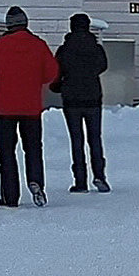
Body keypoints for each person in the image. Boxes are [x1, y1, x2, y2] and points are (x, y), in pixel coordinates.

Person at [0, 6, 61, 207]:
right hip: (31, 107)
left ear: (8, 25)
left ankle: (10, 196)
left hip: (6, 107)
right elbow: (52, 73)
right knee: (33, 148)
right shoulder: (38, 45)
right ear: (26, 23)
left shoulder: (0, 45)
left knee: (6, 152)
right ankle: (36, 181)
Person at [54, 11, 111, 192]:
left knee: (76, 140)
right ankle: (100, 176)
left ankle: (80, 181)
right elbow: (103, 66)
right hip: (93, 97)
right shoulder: (96, 48)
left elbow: (57, 72)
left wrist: (58, 86)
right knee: (95, 138)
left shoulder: (64, 49)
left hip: (71, 99)